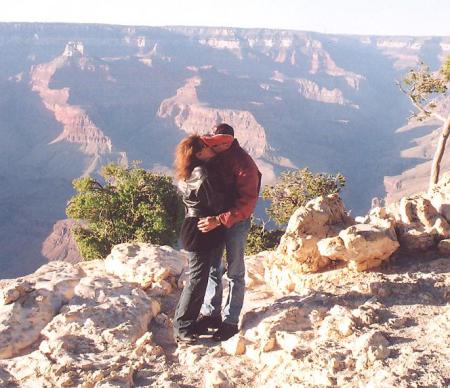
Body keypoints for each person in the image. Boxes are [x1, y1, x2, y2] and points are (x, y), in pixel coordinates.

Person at [196, 123, 262, 341]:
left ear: (230, 141)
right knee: (214, 267)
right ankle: (210, 314)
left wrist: (219, 220)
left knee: (235, 272)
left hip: (236, 222)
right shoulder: (216, 155)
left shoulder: (245, 164)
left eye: (222, 141)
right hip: (215, 219)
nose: (218, 145)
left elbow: (247, 204)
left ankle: (230, 321)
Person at [172, 134, 231, 343]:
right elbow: (215, 202)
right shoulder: (201, 172)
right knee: (197, 280)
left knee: (205, 275)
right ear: (198, 154)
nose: (210, 148)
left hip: (197, 226)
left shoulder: (187, 171)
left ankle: (198, 319)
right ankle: (182, 327)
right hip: (202, 228)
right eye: (206, 147)